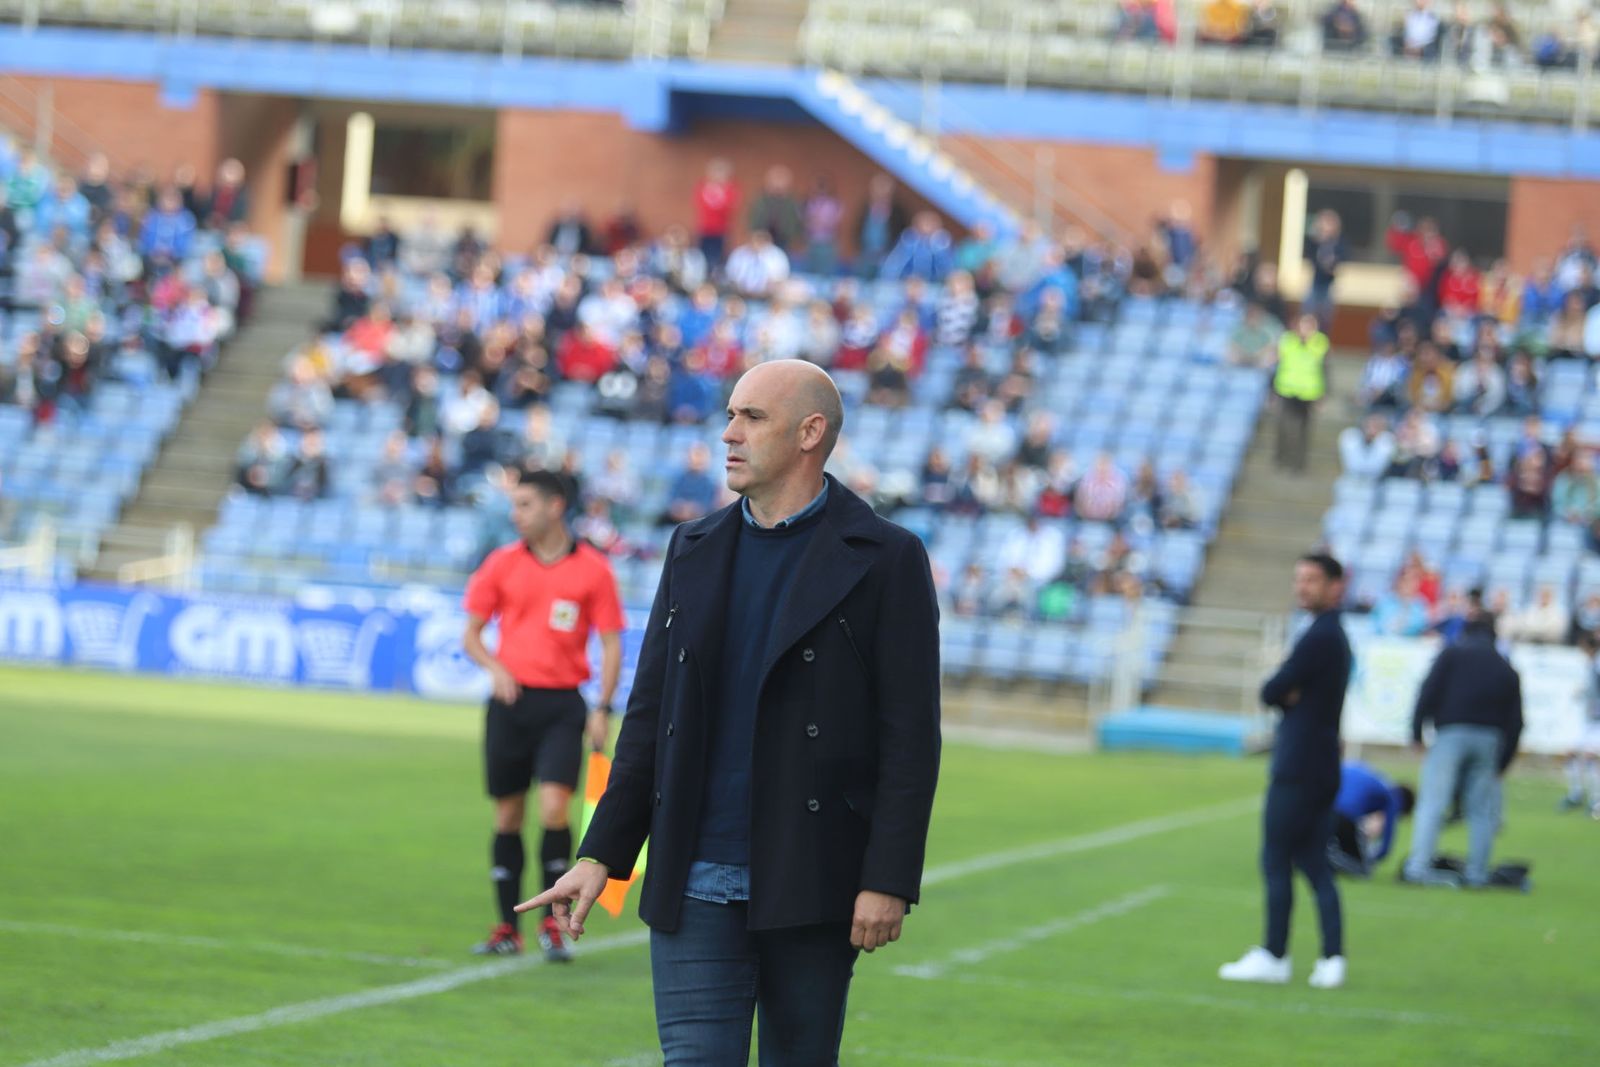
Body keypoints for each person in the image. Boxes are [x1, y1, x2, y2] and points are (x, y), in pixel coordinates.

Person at [525, 359, 941, 1065]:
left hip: (813, 877)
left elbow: (909, 737)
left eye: (752, 417)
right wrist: (602, 852)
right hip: (693, 876)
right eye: (729, 415)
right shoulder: (693, 546)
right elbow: (651, 714)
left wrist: (888, 877)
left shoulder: (885, 557)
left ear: (811, 432)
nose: (729, 434)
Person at [462, 469, 624, 961]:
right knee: (508, 815)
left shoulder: (593, 570)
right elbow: (471, 634)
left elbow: (611, 642)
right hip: (510, 707)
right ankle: (505, 928)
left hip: (562, 706)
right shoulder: (501, 563)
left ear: (555, 507)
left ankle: (553, 926)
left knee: (554, 810)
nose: (516, 515)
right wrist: (495, 667)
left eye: (525, 504)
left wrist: (602, 705)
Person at [1221, 553, 1351, 990]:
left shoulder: (1320, 636)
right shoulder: (1333, 635)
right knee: (1314, 862)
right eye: (1298, 579)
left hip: (1298, 765)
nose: (1302, 587)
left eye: (1312, 580)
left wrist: (1285, 691)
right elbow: (1282, 691)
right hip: (1322, 762)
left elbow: (1272, 689)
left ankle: (1274, 954)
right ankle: (1332, 958)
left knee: (1276, 857)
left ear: (1336, 586)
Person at [1403, 613, 1523, 887]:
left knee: (1433, 801)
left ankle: (1419, 866)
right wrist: (1501, 764)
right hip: (1489, 739)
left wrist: (1416, 732)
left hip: (1451, 734)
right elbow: (1516, 721)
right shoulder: (1505, 667)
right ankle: (1478, 874)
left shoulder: (1452, 655)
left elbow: (1427, 691)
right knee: (1481, 811)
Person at [1329, 762, 1415, 877]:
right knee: (1364, 870)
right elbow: (1385, 847)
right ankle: (1329, 859)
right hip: (1344, 815)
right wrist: (1372, 857)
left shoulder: (1377, 780)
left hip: (1324, 809)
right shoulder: (1393, 798)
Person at [1273, 313, 1329, 474]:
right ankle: (1280, 457)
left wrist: (1322, 395)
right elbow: (1277, 364)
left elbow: (1324, 369)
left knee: (1303, 431)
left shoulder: (1320, 343)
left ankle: (1298, 463)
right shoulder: (1287, 340)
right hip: (1286, 389)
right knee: (1283, 426)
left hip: (1309, 393)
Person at [1559, 637, 1600, 817]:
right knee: (1571, 753)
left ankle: (1596, 800)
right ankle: (1576, 794)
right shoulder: (1591, 665)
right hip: (1589, 721)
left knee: (1591, 757)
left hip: (1598, 721)